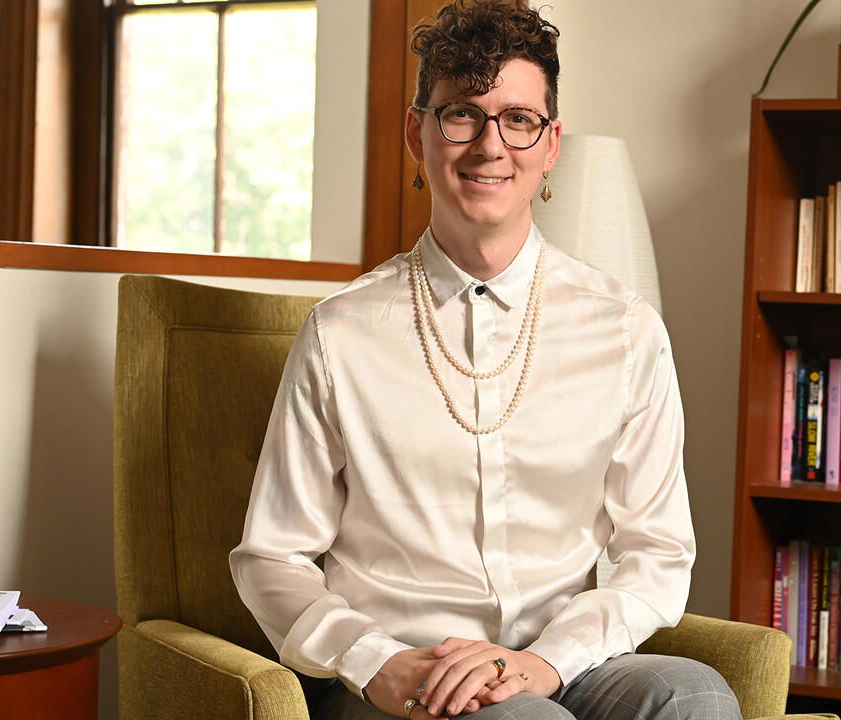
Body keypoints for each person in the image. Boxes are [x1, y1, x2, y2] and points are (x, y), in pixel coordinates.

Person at [229, 2, 743, 719]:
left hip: (562, 661)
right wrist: (375, 660)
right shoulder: (340, 333)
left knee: (695, 696)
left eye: (519, 119)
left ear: (551, 141)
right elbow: (271, 558)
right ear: (418, 132)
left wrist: (542, 663)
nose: (490, 145)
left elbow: (657, 555)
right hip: (406, 675)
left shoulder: (626, 331)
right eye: (461, 114)